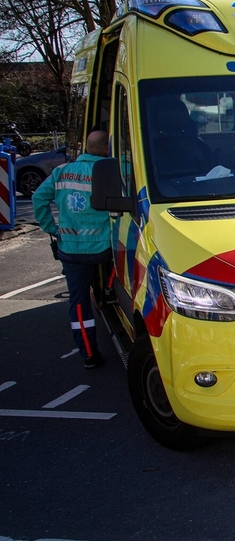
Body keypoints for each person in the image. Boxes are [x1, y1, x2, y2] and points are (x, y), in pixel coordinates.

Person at [32, 131, 114, 369]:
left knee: (78, 303)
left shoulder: (61, 172)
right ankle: (109, 288)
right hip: (104, 247)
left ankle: (89, 354)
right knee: (123, 262)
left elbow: (38, 198)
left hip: (70, 248)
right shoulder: (114, 171)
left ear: (86, 147)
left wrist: (52, 229)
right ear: (107, 148)